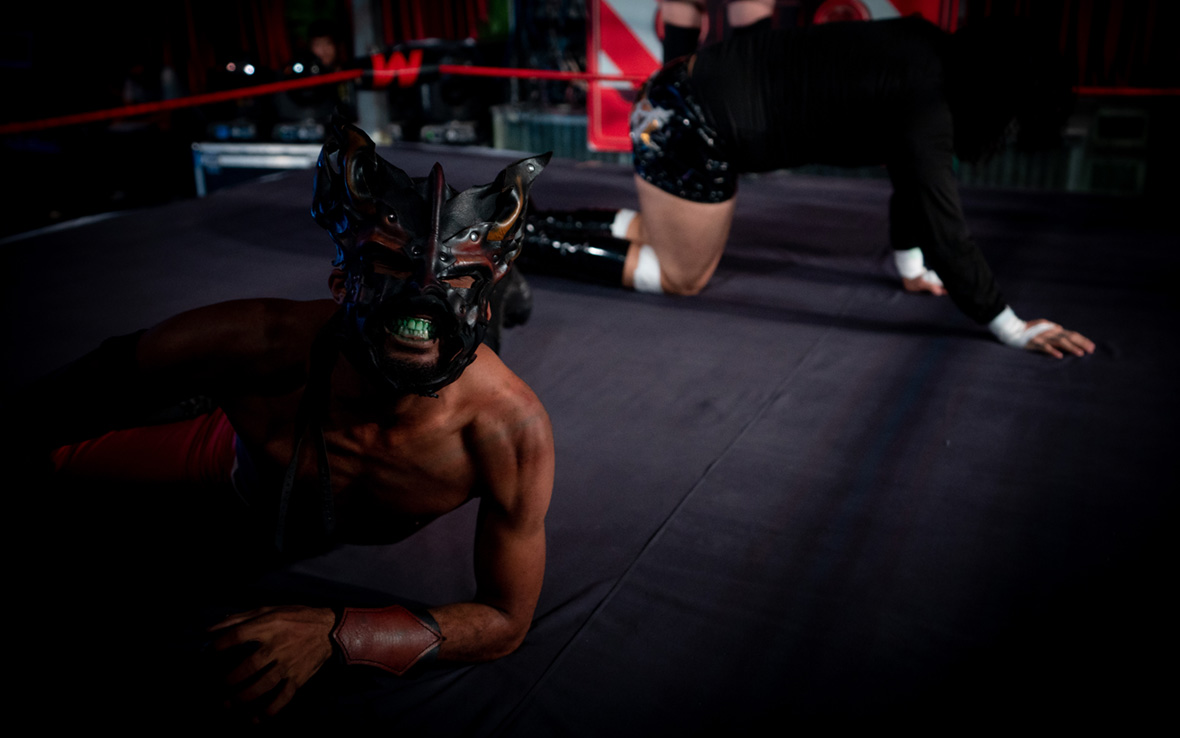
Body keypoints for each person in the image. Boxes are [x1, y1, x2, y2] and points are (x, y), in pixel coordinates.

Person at [13, 118, 555, 722]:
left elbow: (505, 621)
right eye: (393, 274)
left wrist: (339, 635)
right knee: (52, 464)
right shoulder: (253, 341)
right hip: (234, 461)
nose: (422, 293)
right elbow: (64, 397)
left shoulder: (508, 429)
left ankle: (497, 296)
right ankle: (201, 400)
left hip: (316, 436)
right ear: (340, 286)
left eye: (457, 279)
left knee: (449, 340)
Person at [520, 3, 1095, 359]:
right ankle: (519, 243)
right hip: (687, 121)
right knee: (681, 275)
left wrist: (911, 268)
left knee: (661, 234)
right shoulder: (928, 105)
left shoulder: (922, 50)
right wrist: (1009, 325)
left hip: (680, 98)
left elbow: (913, 183)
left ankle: (524, 223)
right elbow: (946, 227)